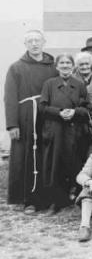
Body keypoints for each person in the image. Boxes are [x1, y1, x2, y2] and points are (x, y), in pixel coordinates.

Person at [4, 31, 57, 210]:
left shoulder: (53, 66)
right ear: (25, 44)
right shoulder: (16, 67)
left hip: (47, 115)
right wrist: (12, 124)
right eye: (30, 41)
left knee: (47, 155)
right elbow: (9, 97)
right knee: (26, 157)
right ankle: (29, 199)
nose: (34, 44)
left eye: (37, 40)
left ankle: (49, 198)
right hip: (26, 116)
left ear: (44, 42)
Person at [39, 54, 90, 213]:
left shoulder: (79, 85)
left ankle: (75, 196)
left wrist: (74, 112)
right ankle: (56, 201)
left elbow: (86, 108)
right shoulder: (50, 84)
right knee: (55, 165)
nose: (65, 65)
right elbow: (42, 108)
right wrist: (59, 112)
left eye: (68, 62)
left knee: (73, 163)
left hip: (74, 131)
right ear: (57, 66)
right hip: (55, 130)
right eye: (62, 62)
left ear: (73, 65)